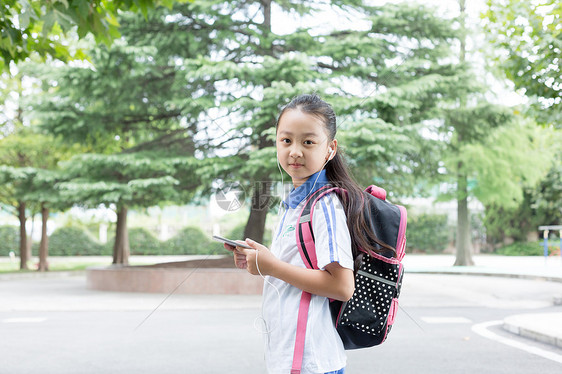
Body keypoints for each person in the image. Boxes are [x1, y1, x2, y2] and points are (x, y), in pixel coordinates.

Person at [224, 93, 375, 374]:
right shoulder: (293, 202)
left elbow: (342, 286)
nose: (295, 151)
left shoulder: (324, 204)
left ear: (330, 149)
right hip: (290, 358)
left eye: (308, 142)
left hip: (311, 362)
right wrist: (260, 262)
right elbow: (292, 267)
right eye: (286, 140)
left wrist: (273, 267)